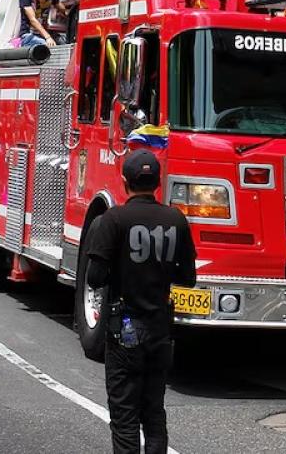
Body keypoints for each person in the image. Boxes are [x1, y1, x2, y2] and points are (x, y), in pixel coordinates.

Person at [87, 150, 197, 454]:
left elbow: (95, 277)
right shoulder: (176, 219)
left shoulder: (114, 219)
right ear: (157, 182)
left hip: (125, 328)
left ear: (125, 182)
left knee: (124, 416)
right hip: (160, 327)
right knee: (154, 413)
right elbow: (188, 278)